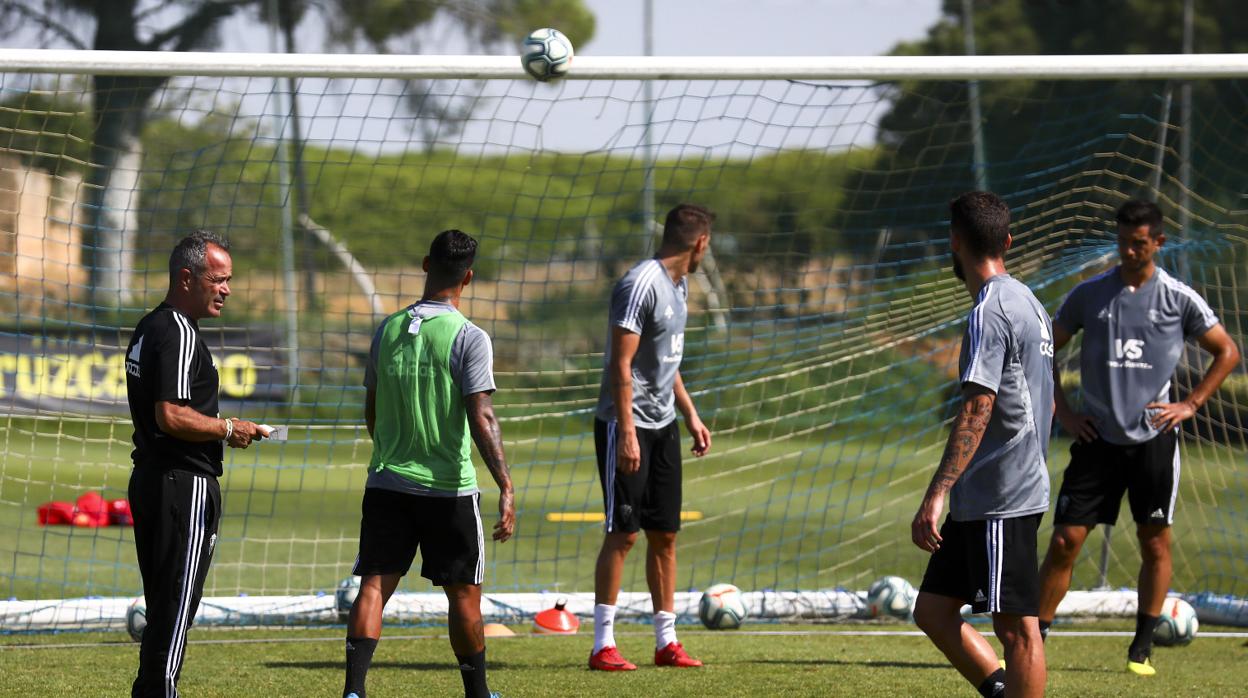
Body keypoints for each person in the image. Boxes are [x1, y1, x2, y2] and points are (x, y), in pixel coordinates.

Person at [1036, 200, 1240, 676]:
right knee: (1065, 540)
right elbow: (1044, 348)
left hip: (1153, 441)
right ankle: (1034, 640)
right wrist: (1062, 410)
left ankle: (1141, 648)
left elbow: (1226, 351)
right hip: (1096, 440)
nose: (1130, 250)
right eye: (1124, 241)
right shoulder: (1088, 295)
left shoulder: (1179, 297)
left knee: (1154, 544)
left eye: (1140, 243)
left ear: (1159, 243)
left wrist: (1189, 404)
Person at [342, 229, 515, 698]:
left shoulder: (388, 329)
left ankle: (354, 692)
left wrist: (389, 452)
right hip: (448, 489)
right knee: (462, 594)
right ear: (469, 276)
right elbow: (482, 414)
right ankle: (477, 694)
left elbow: (372, 407)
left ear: (425, 264)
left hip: (386, 483)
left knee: (374, 586)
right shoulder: (469, 337)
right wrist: (506, 484)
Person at [910, 192, 1053, 698]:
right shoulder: (1031, 303)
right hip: (992, 492)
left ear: (954, 241)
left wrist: (936, 491)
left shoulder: (990, 310)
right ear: (1007, 241)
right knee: (932, 609)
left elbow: (977, 406)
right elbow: (1047, 401)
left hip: (1001, 495)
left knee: (1017, 630)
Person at [125, 230, 268, 697]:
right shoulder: (180, 332)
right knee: (175, 605)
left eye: (229, 280)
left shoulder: (149, 326)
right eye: (219, 279)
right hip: (183, 486)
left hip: (150, 479)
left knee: (164, 604)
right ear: (187, 277)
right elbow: (171, 415)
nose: (227, 289)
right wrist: (230, 429)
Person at [588, 203, 715, 672]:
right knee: (623, 533)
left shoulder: (680, 287)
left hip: (663, 429)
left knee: (665, 534)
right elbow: (621, 363)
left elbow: (666, 362)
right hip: (626, 426)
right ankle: (603, 645)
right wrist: (626, 432)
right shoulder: (639, 284)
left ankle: (667, 643)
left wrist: (691, 416)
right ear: (700, 242)